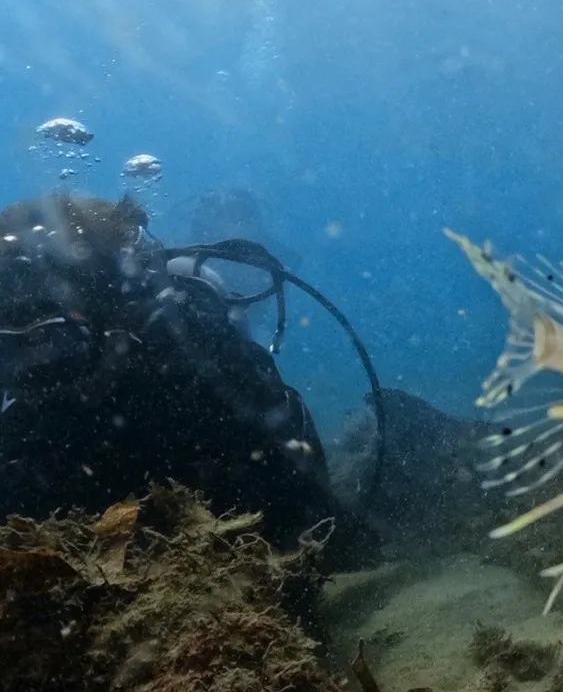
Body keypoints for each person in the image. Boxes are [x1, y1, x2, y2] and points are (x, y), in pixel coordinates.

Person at [0, 191, 374, 558]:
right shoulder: (29, 426)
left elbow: (304, 518)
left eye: (56, 344)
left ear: (118, 325)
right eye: (7, 353)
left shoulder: (197, 369)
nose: (32, 378)